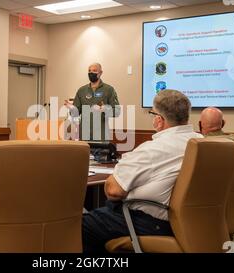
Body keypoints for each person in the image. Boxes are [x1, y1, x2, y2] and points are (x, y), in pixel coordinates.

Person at [82, 90, 203, 253]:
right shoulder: (201, 143)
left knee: (84, 225)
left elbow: (113, 190)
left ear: (159, 120)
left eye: (153, 114)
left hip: (153, 222)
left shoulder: (154, 149)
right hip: (193, 221)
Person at [64, 63, 120, 141]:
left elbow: (117, 111)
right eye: (89, 71)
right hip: (84, 135)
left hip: (101, 135)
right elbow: (75, 114)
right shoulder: (82, 90)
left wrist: (104, 108)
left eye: (94, 71)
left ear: (100, 73)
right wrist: (72, 108)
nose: (91, 73)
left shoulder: (109, 90)